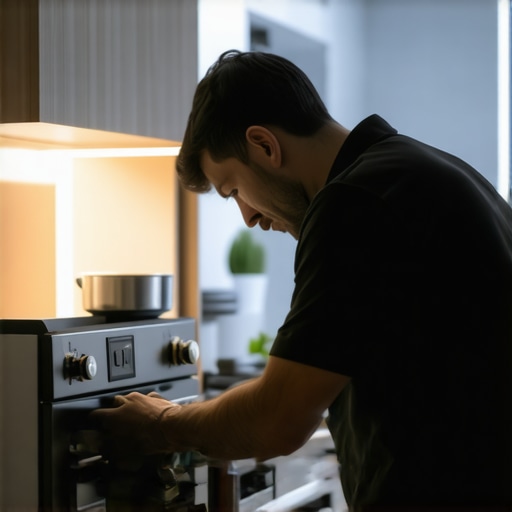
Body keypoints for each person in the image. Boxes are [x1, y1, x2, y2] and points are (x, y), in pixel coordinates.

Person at [91, 50, 512, 511]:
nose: (249, 217)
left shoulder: (354, 204)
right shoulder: (422, 170)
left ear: (264, 145)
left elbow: (277, 420)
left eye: (234, 189)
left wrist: (161, 424)